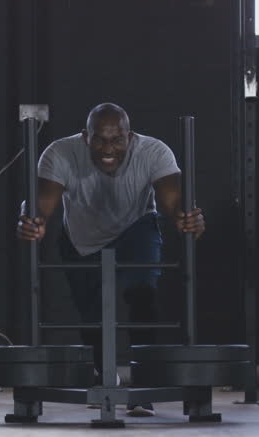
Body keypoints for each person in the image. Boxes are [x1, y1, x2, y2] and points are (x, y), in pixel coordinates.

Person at [17, 102, 205, 417]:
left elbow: (178, 205)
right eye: (99, 140)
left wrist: (190, 219)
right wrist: (30, 221)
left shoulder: (154, 153)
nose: (108, 148)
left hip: (136, 227)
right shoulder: (60, 153)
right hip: (81, 237)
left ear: (129, 138)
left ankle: (142, 387)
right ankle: (105, 378)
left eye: (116, 139)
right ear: (84, 137)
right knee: (92, 316)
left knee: (141, 296)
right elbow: (39, 206)